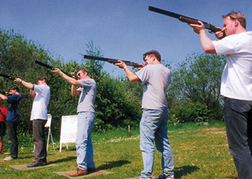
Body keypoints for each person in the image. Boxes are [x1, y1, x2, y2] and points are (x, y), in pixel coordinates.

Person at [189, 11, 252, 178]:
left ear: (236, 23)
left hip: (236, 100)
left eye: (226, 25)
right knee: (249, 146)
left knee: (239, 148)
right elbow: (236, 51)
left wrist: (202, 31)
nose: (223, 28)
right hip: (249, 98)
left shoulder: (236, 39)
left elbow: (208, 47)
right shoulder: (249, 39)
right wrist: (223, 36)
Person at [114, 50, 175, 179]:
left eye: (146, 59)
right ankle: (169, 174)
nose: (145, 62)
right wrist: (143, 68)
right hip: (162, 110)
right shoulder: (166, 71)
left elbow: (132, 78)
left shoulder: (149, 69)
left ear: (153, 58)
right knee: (164, 144)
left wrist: (125, 67)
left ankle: (146, 176)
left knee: (147, 145)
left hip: (151, 111)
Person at [52, 68, 96, 177]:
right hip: (85, 113)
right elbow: (74, 93)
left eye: (79, 74)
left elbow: (75, 82)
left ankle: (81, 167)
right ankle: (90, 165)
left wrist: (62, 74)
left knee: (80, 140)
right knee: (87, 141)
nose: (79, 76)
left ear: (85, 73)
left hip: (86, 113)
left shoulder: (90, 81)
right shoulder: (84, 85)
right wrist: (73, 82)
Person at [14, 76, 50, 167]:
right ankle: (42, 158)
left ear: (43, 81)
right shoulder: (41, 91)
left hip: (39, 116)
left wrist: (21, 81)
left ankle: (39, 160)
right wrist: (30, 87)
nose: (38, 84)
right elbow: (32, 94)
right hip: (39, 116)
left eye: (39, 82)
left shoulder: (44, 87)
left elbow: (32, 87)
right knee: (40, 138)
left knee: (37, 139)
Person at [0, 86, 23, 161]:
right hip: (14, 118)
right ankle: (14, 154)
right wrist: (6, 94)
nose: (10, 92)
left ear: (15, 90)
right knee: (13, 137)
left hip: (12, 119)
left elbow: (5, 98)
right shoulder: (17, 97)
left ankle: (13, 155)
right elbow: (8, 97)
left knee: (11, 138)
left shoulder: (17, 96)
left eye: (11, 91)